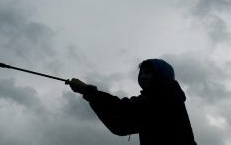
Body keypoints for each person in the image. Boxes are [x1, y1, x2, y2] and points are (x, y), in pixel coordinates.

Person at [68, 59, 197, 145]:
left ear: (162, 75)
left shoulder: (167, 96)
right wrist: (89, 95)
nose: (142, 76)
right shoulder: (150, 99)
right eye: (141, 73)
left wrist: (89, 92)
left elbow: (122, 108)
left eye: (148, 72)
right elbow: (119, 126)